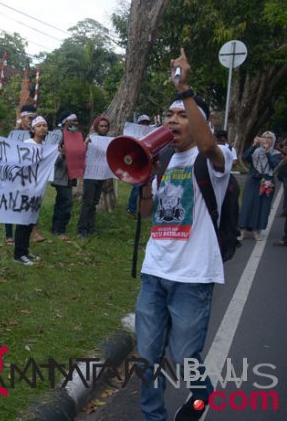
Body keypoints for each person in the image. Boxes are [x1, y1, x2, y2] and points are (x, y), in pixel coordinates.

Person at [135, 49, 232, 421]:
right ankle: (153, 417)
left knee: (186, 359)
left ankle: (200, 397)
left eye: (182, 115)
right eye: (169, 115)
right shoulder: (160, 160)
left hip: (192, 279)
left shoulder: (215, 155)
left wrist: (186, 87)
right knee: (148, 357)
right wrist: (142, 182)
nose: (173, 120)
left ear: (198, 121)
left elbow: (208, 145)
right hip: (155, 272)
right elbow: (148, 213)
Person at [13, 116, 49, 265]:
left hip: (37, 190)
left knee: (31, 221)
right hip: (25, 189)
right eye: (39, 125)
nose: (42, 128)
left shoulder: (47, 147)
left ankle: (25, 250)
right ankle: (18, 254)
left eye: (45, 125)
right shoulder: (27, 144)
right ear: (33, 129)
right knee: (23, 221)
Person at [237, 131, 281, 240]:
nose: (266, 139)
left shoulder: (276, 154)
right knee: (248, 203)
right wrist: (253, 145)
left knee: (263, 206)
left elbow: (274, 164)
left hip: (267, 181)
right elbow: (245, 157)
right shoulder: (256, 151)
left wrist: (267, 152)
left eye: (269, 138)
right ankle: (242, 230)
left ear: (273, 140)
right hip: (253, 180)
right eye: (264, 137)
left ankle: (257, 231)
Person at [5, 104, 39, 245]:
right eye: (30, 118)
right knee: (11, 202)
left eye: (34, 118)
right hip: (14, 174)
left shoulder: (36, 136)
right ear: (23, 118)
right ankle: (9, 234)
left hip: (29, 176)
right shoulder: (14, 134)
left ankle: (31, 231)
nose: (31, 121)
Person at [76, 114, 110, 238]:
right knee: (87, 202)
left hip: (100, 175)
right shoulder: (91, 138)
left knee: (94, 202)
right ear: (97, 127)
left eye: (106, 126)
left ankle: (91, 227)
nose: (104, 128)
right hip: (90, 175)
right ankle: (82, 229)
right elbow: (82, 153)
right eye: (101, 126)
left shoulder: (108, 141)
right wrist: (85, 144)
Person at [49, 112, 80, 240]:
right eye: (73, 121)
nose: (76, 123)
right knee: (66, 202)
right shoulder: (60, 135)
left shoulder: (75, 136)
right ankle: (60, 230)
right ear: (66, 122)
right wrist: (62, 155)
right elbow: (52, 158)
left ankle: (55, 228)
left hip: (70, 176)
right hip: (61, 175)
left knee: (61, 202)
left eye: (77, 121)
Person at [126, 114, 151, 215]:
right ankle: (131, 208)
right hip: (137, 164)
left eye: (147, 123)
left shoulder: (151, 134)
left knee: (146, 187)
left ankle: (143, 209)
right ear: (138, 124)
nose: (145, 125)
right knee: (136, 188)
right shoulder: (133, 135)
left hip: (147, 164)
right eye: (143, 123)